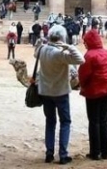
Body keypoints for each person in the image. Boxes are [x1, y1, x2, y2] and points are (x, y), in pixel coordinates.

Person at [35, 25, 85, 164]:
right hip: (61, 92)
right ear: (63, 37)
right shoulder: (60, 54)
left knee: (50, 122)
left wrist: (41, 43)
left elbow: (35, 54)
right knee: (65, 122)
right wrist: (69, 47)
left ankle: (49, 153)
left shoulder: (43, 50)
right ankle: (63, 154)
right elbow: (81, 60)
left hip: (45, 92)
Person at [78, 30, 107, 161]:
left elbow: (83, 75)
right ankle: (105, 151)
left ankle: (95, 152)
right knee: (103, 119)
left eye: (85, 41)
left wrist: (83, 85)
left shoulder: (88, 56)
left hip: (93, 92)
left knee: (94, 121)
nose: (84, 44)